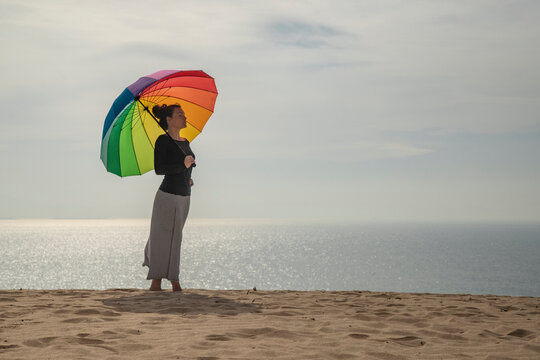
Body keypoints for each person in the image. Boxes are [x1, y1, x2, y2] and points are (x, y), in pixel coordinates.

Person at [142, 104, 195, 292]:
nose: (184, 116)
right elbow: (160, 169)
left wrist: (188, 179)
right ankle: (157, 281)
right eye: (179, 114)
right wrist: (182, 164)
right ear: (169, 120)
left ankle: (174, 279)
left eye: (184, 113)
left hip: (184, 197)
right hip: (167, 196)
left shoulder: (185, 141)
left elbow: (184, 169)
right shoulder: (162, 141)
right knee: (160, 238)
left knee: (176, 238)